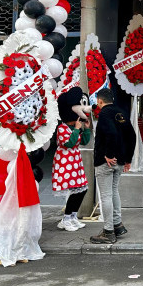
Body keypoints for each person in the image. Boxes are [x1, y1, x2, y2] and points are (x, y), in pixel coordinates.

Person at [91, 89, 135, 244]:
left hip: (106, 161)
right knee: (114, 191)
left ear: (100, 101)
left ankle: (108, 231)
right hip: (121, 159)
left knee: (106, 196)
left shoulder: (104, 114)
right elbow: (132, 135)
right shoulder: (121, 112)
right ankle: (118, 224)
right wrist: (128, 158)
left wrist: (108, 154)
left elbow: (111, 134)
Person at [53, 87, 91, 232]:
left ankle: (73, 216)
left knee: (82, 190)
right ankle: (66, 218)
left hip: (75, 162)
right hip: (66, 163)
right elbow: (68, 143)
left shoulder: (75, 127)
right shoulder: (62, 128)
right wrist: (76, 129)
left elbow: (84, 141)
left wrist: (85, 129)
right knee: (75, 191)